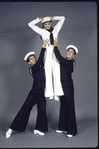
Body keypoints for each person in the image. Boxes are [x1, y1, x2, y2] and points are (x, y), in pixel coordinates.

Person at [5, 39, 49, 138]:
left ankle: (38, 128)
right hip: (34, 94)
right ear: (29, 63)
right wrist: (43, 46)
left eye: (34, 58)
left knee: (42, 111)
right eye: (31, 59)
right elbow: (40, 60)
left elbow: (43, 60)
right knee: (24, 110)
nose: (34, 59)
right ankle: (11, 129)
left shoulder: (40, 67)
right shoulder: (33, 68)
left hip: (41, 93)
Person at [28, 16, 65, 101]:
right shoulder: (42, 31)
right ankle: (49, 93)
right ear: (43, 25)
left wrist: (53, 17)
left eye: (48, 23)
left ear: (51, 23)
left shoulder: (56, 29)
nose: (47, 25)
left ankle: (57, 93)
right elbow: (30, 24)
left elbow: (63, 18)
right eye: (45, 24)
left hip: (55, 49)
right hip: (47, 50)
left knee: (56, 71)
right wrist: (38, 20)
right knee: (48, 72)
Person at [53, 39, 78, 138]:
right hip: (61, 87)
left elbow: (58, 57)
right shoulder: (64, 62)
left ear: (73, 55)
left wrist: (55, 46)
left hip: (68, 87)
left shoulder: (70, 62)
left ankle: (72, 131)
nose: (69, 53)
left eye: (71, 52)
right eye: (68, 51)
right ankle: (62, 127)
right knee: (63, 106)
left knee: (70, 107)